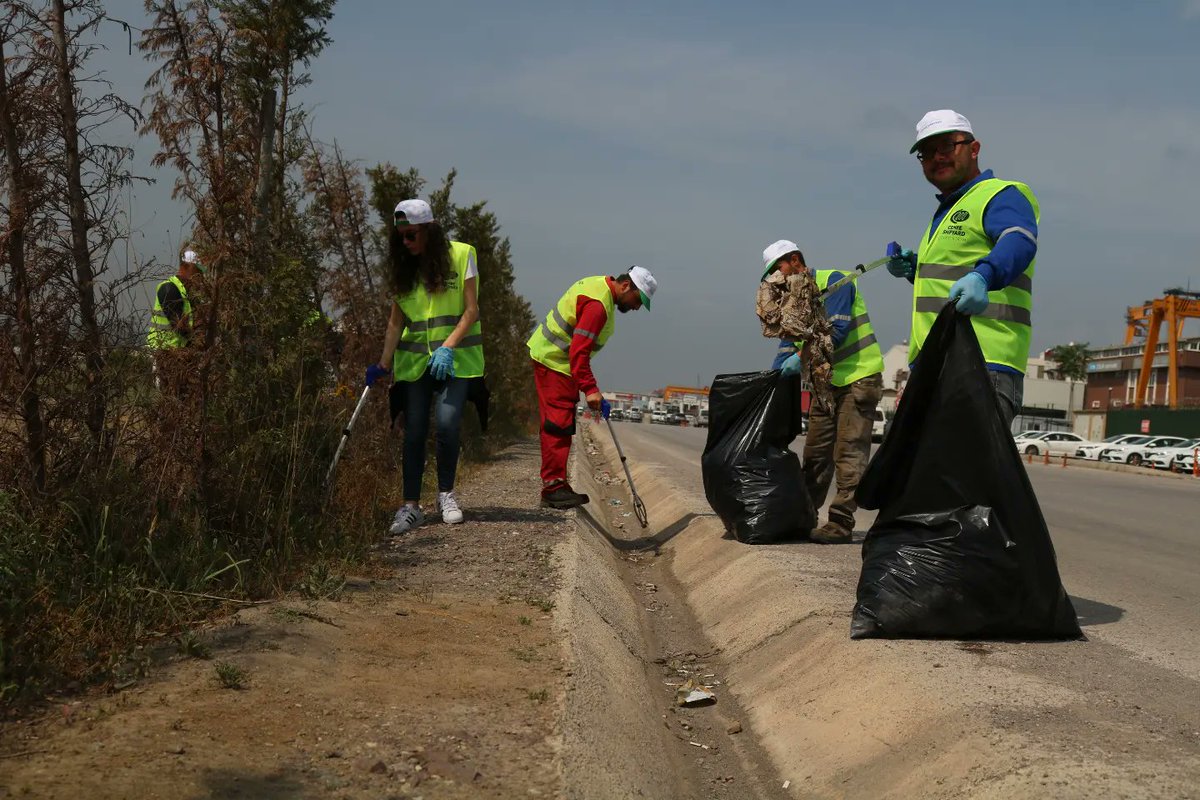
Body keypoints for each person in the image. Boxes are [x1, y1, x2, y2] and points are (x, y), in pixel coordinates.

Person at [887, 109, 1039, 428]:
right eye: (926, 152)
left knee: (965, 473)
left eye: (946, 147)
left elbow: (1018, 240)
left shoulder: (1000, 194)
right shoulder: (947, 211)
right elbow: (950, 278)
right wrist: (915, 269)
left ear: (974, 148)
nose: (936, 158)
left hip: (981, 364)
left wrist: (984, 275)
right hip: (934, 365)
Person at [365, 199, 484, 535]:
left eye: (412, 235)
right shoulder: (403, 269)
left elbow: (471, 311)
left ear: (430, 230)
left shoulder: (462, 255)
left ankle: (446, 494)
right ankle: (410, 507)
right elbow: (395, 321)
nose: (406, 242)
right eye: (400, 236)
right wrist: (383, 363)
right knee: (414, 431)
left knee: (447, 424)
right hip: (415, 362)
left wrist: (447, 348)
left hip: (455, 360)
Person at [762, 240, 884, 544]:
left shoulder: (835, 283)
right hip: (824, 383)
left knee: (849, 453)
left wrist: (798, 359)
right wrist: (772, 378)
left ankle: (841, 523)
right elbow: (788, 342)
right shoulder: (795, 300)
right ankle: (804, 516)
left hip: (858, 379)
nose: (777, 279)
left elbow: (836, 335)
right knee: (815, 454)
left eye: (779, 270)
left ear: (795, 261)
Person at [528, 267, 657, 509]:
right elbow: (579, 351)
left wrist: (588, 386)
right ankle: (553, 488)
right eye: (638, 300)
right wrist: (590, 389)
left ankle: (558, 484)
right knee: (558, 425)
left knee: (562, 424)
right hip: (554, 362)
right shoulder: (598, 305)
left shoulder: (599, 289)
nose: (637, 307)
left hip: (558, 364)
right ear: (627, 286)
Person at [147, 247, 204, 390]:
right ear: (186, 267)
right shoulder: (169, 290)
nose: (201, 276)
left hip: (180, 355)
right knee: (171, 399)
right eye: (198, 271)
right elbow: (180, 327)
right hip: (164, 356)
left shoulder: (187, 294)